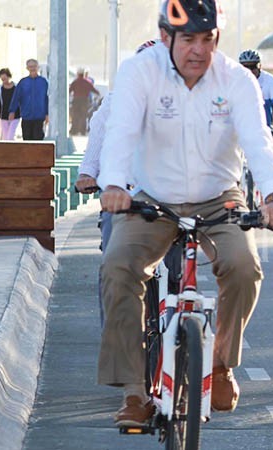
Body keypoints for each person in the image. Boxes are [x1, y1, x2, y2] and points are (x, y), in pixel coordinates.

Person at [96, 0, 273, 427]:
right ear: (166, 37)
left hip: (218, 197)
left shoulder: (237, 79)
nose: (198, 51)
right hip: (152, 198)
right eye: (188, 39)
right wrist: (112, 184)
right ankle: (133, 391)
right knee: (117, 267)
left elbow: (258, 142)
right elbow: (121, 131)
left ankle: (220, 364)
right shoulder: (139, 71)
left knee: (244, 266)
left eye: (208, 39)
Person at [76, 39, 160, 327]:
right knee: (113, 267)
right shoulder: (116, 99)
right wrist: (88, 172)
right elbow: (99, 134)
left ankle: (183, 315)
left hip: (170, 197)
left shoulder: (180, 99)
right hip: (125, 196)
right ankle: (114, 334)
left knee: (185, 261)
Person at [238, 49, 273, 139]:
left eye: (253, 67)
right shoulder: (235, 81)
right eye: (245, 67)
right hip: (243, 131)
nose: (250, 71)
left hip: (264, 133)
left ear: (260, 66)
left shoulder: (270, 81)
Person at [9, 58, 49, 141]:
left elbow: (47, 98)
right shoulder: (23, 82)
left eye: (34, 66)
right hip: (26, 116)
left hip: (39, 116)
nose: (32, 68)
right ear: (27, 68)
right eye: (30, 66)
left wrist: (47, 114)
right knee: (27, 140)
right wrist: (12, 111)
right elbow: (16, 97)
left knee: (38, 140)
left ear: (38, 67)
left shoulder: (43, 82)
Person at [0, 68, 20, 140]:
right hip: (3, 116)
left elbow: (21, 101)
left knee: (10, 136)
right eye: (2, 79)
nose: (4, 81)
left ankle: (12, 150)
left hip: (15, 116)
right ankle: (8, 150)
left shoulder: (17, 87)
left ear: (9, 77)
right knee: (5, 137)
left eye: (5, 79)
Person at [69, 67, 100, 135]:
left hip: (76, 100)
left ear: (77, 73)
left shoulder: (75, 82)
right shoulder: (87, 82)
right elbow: (94, 90)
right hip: (84, 101)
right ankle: (82, 131)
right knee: (83, 116)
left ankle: (74, 130)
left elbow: (69, 90)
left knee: (75, 116)